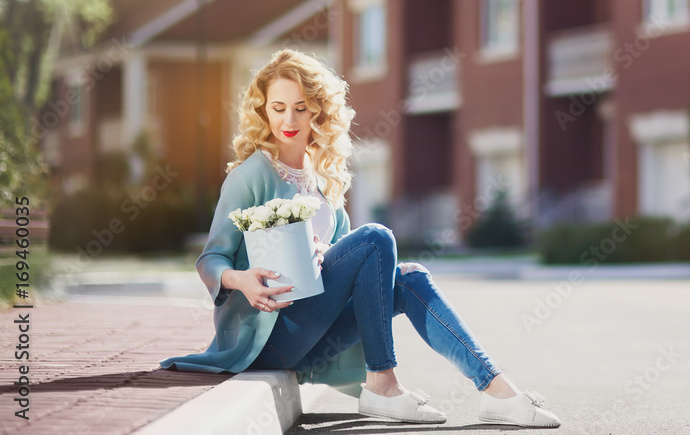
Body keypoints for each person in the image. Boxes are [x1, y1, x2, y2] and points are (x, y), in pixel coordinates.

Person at [159, 48, 560, 427]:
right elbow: (210, 259)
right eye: (278, 107)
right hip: (268, 337)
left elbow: (357, 275)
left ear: (318, 109)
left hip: (315, 338)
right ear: (263, 109)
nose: (289, 119)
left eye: (301, 107)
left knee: (411, 279)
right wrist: (241, 280)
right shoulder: (249, 175)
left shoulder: (323, 179)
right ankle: (383, 383)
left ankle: (496, 390)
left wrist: (324, 255)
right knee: (375, 238)